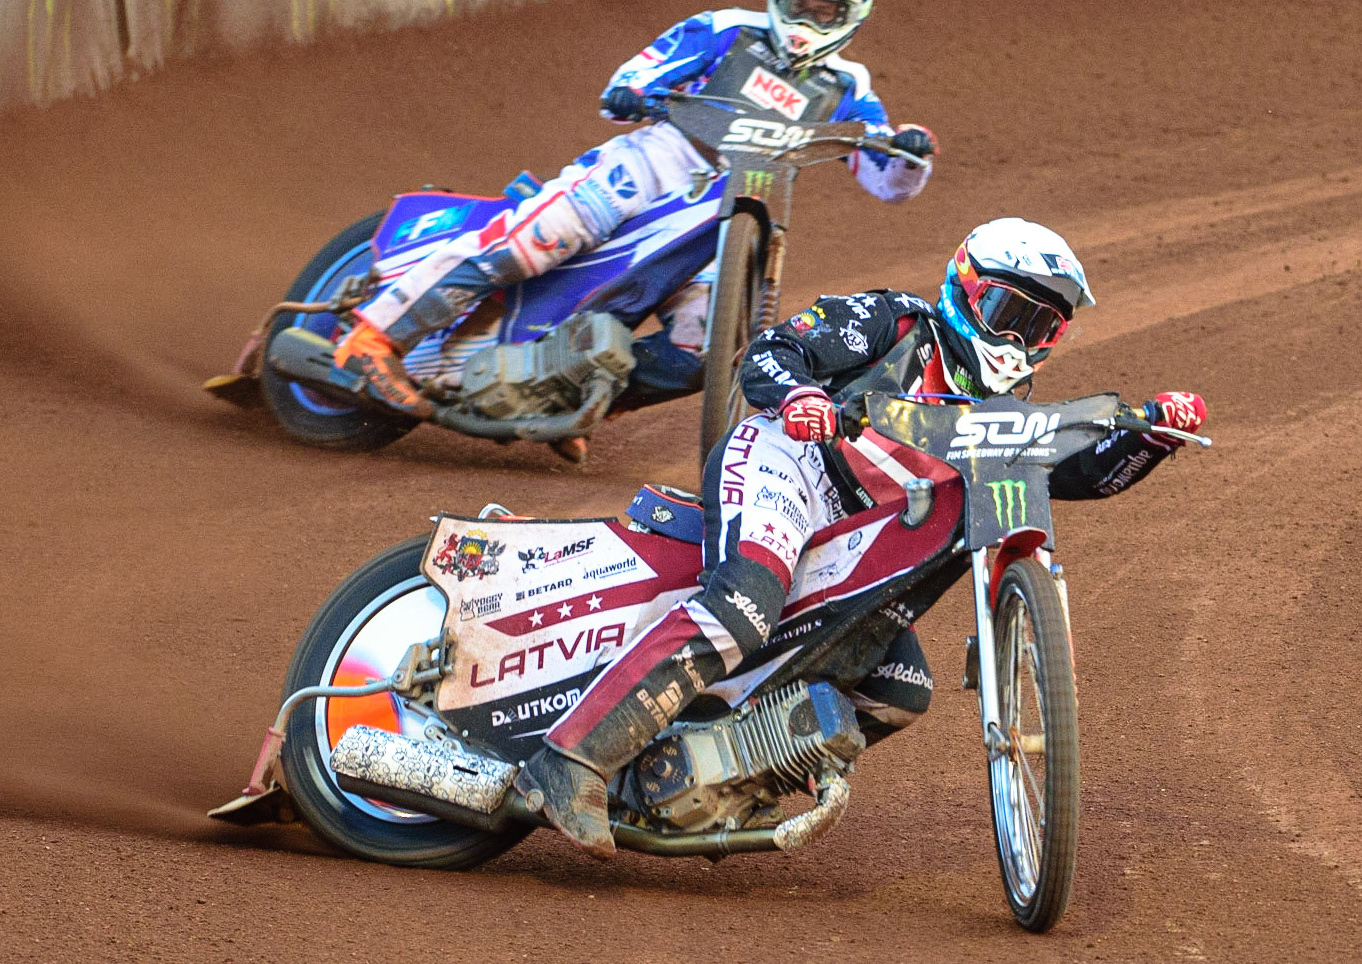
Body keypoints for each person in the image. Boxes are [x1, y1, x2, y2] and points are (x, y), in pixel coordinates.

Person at [518, 217, 1209, 857]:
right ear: (965, 291)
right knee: (744, 604)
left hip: (855, 535)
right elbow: (772, 349)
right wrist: (801, 395)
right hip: (787, 465)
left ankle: (705, 779)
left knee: (898, 688)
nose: (1017, 341)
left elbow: (1077, 475)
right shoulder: (892, 322)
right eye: (1008, 313)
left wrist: (1149, 439)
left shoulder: (1005, 411)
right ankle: (568, 759)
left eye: (1040, 329)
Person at [329, 0, 937, 459]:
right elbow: (629, 81)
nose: (806, 21)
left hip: (731, 215)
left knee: (702, 350)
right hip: (652, 166)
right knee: (536, 242)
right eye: (796, 3)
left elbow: (885, 176)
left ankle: (566, 397)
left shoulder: (847, 86)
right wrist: (633, 93)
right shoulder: (725, 30)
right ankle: (375, 337)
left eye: (824, 10)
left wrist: (911, 155)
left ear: (852, 16)